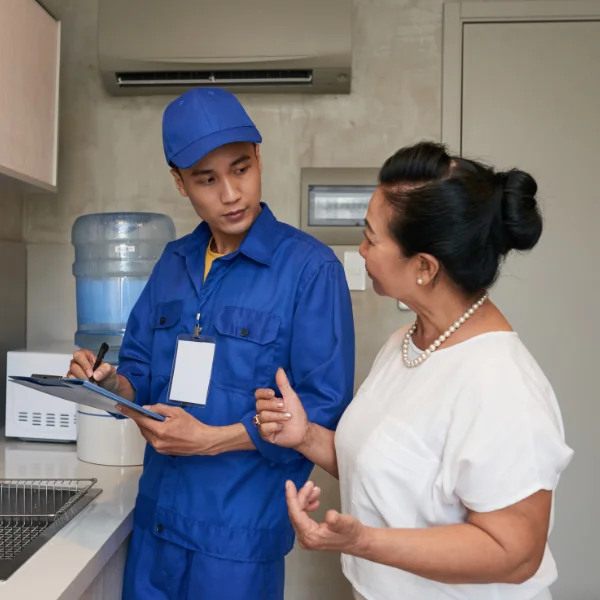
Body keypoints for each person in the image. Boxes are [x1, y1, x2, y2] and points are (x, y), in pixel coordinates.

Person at [67, 87, 355, 600]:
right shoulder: (173, 262)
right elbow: (137, 370)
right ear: (180, 183)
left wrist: (213, 439)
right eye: (207, 179)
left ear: (259, 158)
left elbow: (322, 411)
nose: (231, 194)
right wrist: (110, 383)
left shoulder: (310, 270)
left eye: (241, 169)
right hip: (155, 526)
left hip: (237, 541)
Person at [254, 141, 574, 600]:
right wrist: (304, 435)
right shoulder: (406, 345)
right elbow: (395, 475)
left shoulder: (501, 383)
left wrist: (363, 541)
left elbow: (516, 553)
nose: (361, 250)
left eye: (371, 237)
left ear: (424, 267)